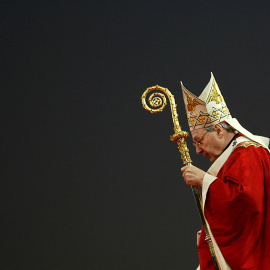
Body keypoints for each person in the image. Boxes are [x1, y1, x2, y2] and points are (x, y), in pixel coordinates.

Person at [180, 73, 270, 270]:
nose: (197, 150)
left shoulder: (247, 153)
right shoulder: (234, 156)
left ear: (219, 130)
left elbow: (246, 203)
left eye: (198, 140)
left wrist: (205, 180)